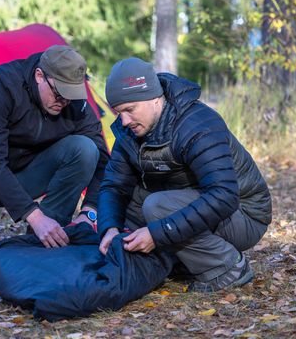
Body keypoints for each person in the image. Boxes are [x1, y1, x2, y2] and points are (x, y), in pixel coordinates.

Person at [97, 58, 272, 292]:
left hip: (244, 213)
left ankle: (227, 268)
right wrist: (109, 227)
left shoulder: (197, 124)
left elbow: (224, 196)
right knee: (131, 207)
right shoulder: (129, 131)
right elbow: (114, 185)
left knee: (156, 206)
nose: (125, 121)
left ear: (154, 98)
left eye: (130, 109)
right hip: (192, 199)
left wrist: (157, 234)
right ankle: (181, 261)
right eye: (119, 113)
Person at [0, 45, 109, 248]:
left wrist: (89, 211)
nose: (64, 102)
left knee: (86, 149)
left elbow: (103, 160)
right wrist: (34, 217)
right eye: (59, 93)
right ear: (39, 76)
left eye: (70, 95)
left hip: (24, 171)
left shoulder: (74, 103)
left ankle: (48, 236)